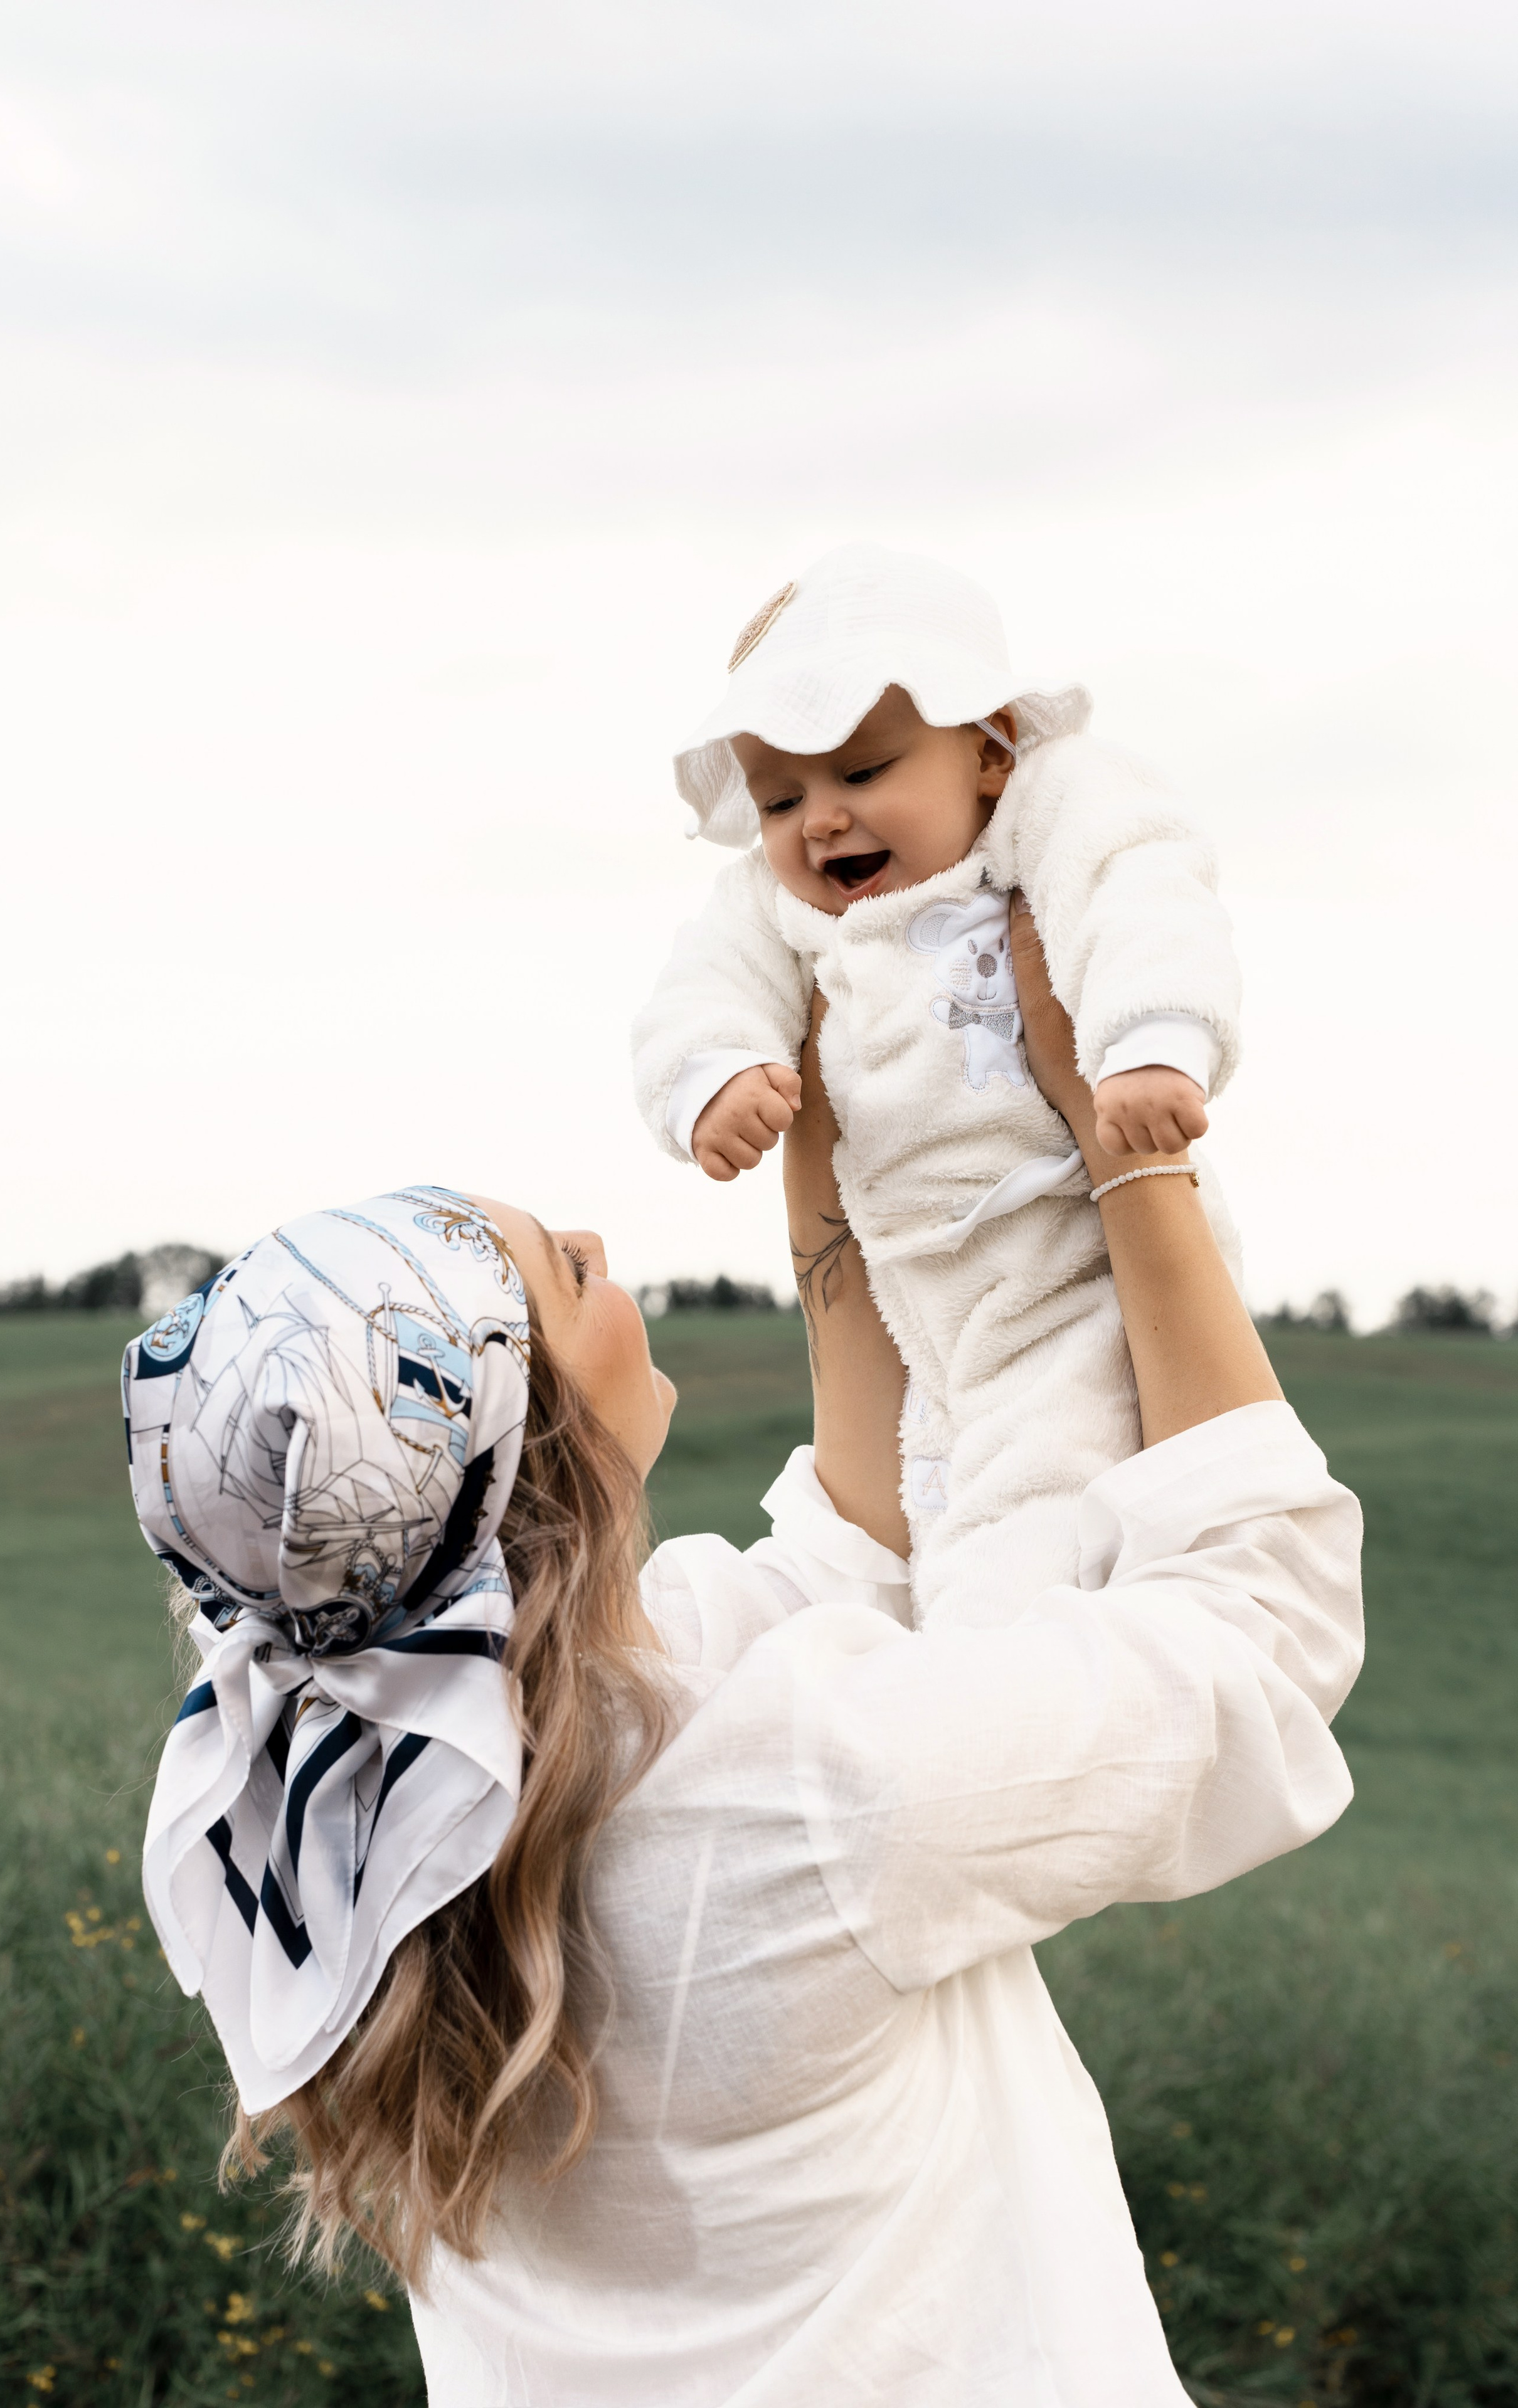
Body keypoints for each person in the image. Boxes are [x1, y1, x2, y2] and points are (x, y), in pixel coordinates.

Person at [127, 905, 1362, 2408]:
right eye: (557, 1277)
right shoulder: (797, 1797)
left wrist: (832, 1155)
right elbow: (1261, 1631)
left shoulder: (329, 1818)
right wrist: (1130, 1162)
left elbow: (851, 1556)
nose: (593, 1244)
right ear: (538, 1455)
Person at [632, 542, 1243, 1627]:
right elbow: (699, 985)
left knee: (1036, 1505)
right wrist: (714, 1077)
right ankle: (942, 1674)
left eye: (863, 774)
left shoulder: (1052, 809)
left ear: (991, 748)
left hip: (1067, 1248)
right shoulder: (781, 908)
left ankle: (995, 1680)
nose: (818, 820)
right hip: (915, 1284)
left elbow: (1138, 884)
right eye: (779, 801)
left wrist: (1151, 1038)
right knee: (930, 1500)